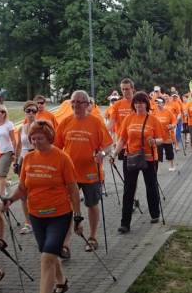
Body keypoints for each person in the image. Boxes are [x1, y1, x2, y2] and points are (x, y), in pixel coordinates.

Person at [2, 121, 81, 293]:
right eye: (33, 138)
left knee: (46, 258)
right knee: (49, 254)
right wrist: (10, 199)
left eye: (40, 138)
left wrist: (78, 217)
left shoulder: (62, 158)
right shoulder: (28, 158)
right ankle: (61, 282)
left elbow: (73, 189)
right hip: (36, 216)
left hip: (59, 215)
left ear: (49, 138)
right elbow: (22, 187)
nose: (36, 142)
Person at [54, 90, 112, 254]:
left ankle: (92, 237)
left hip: (91, 173)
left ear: (87, 104)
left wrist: (102, 154)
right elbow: (56, 147)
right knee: (67, 208)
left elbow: (108, 145)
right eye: (73, 102)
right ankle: (65, 243)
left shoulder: (96, 122)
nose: (76, 105)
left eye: (80, 102)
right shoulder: (65, 122)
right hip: (70, 174)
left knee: (92, 205)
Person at [111, 91, 164, 233]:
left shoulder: (153, 120)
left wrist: (154, 141)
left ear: (146, 104)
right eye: (136, 102)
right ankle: (125, 223)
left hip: (149, 158)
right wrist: (114, 154)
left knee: (151, 187)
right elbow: (122, 139)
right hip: (131, 157)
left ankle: (155, 214)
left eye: (141, 102)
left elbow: (161, 139)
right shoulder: (129, 119)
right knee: (128, 189)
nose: (138, 105)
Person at [13, 101, 38, 234]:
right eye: (28, 111)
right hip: (23, 161)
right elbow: (18, 146)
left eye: (34, 111)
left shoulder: (40, 126)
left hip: (36, 160)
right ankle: (28, 223)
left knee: (36, 190)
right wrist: (15, 161)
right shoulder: (22, 128)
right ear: (25, 112)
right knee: (23, 192)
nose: (31, 113)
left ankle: (38, 218)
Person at [152, 97, 177, 172]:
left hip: (167, 136)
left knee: (169, 152)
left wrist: (172, 125)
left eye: (159, 102)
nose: (158, 104)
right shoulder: (154, 113)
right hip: (158, 137)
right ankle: (156, 169)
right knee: (157, 153)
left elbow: (174, 122)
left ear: (163, 103)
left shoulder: (168, 112)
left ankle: (172, 165)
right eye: (157, 103)